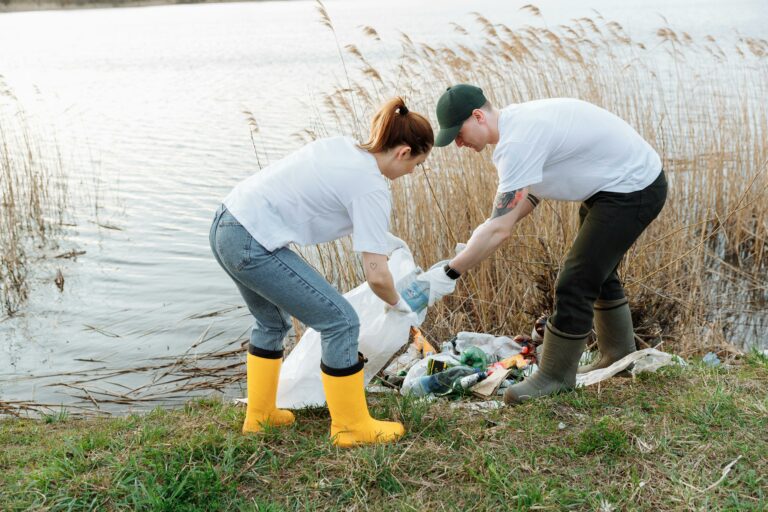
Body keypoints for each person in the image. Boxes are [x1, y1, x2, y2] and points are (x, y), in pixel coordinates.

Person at [209, 97, 434, 446]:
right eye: (417, 164)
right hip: (252, 241)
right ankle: (351, 427)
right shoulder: (371, 186)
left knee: (271, 323)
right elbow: (376, 275)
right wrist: (400, 306)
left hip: (227, 224)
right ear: (403, 152)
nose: (412, 172)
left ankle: (260, 415)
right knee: (341, 322)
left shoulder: (343, 148)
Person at [430, 84, 668, 404]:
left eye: (458, 134)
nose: (458, 144)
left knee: (575, 279)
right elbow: (518, 206)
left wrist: (449, 272)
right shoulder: (518, 125)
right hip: (613, 187)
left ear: (477, 117)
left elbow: (500, 228)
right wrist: (482, 236)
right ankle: (618, 354)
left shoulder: (516, 142)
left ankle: (555, 376)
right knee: (598, 271)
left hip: (634, 187)